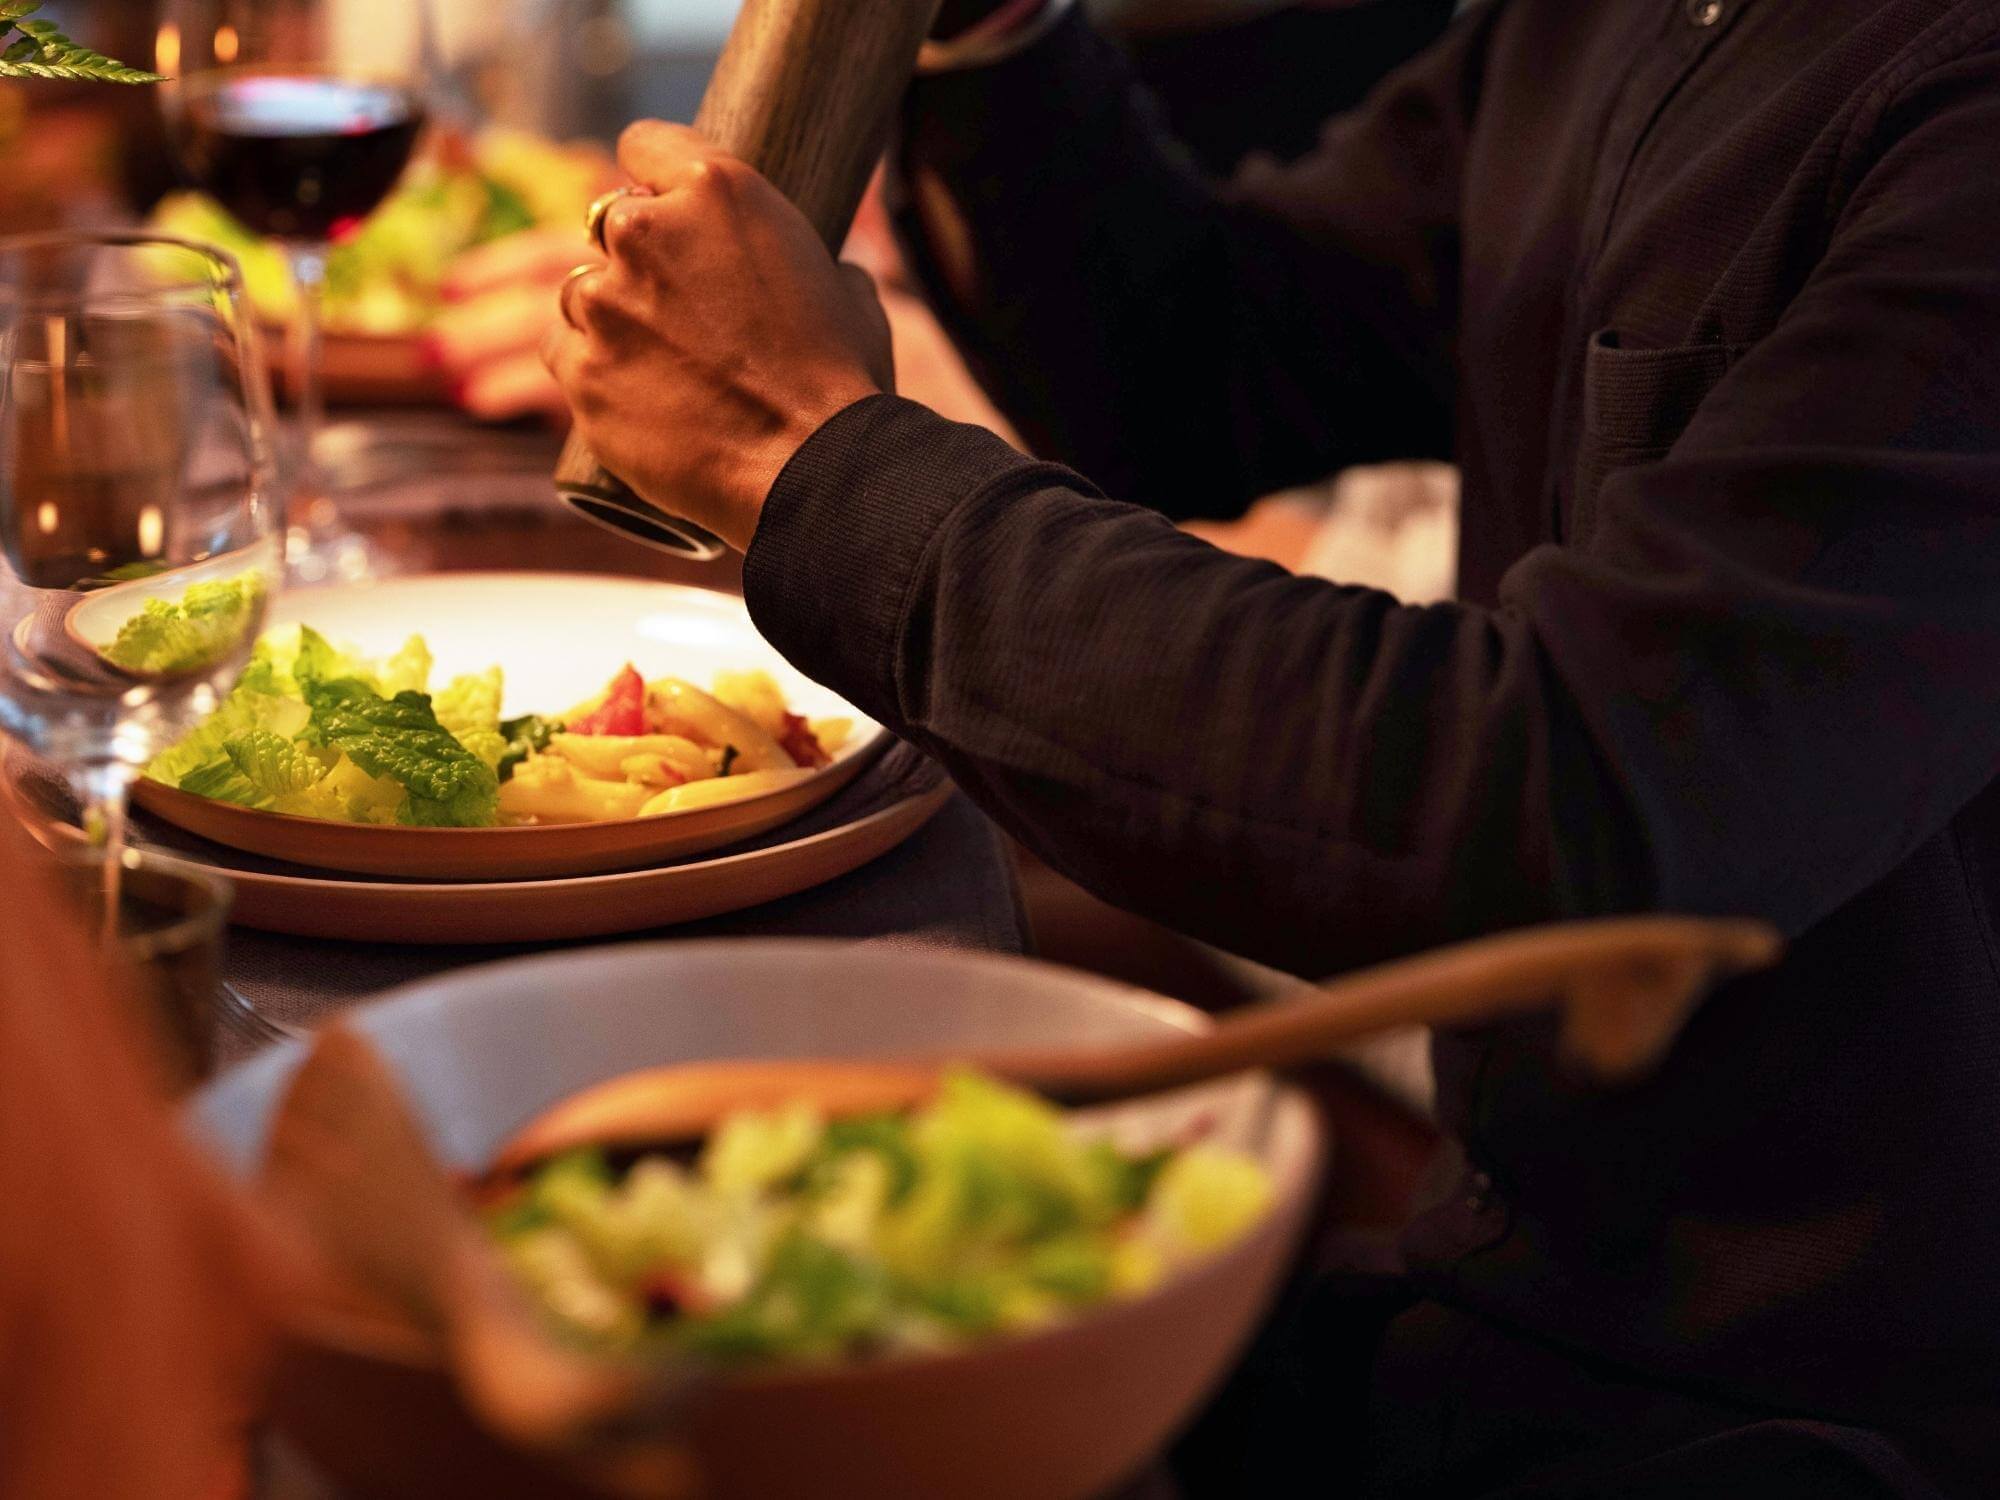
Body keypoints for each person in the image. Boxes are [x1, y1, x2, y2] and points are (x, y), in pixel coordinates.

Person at [544, 0, 2000, 1495]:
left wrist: (805, 456)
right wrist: (995, 36)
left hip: (1821, 1418)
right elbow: (1203, 363)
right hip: (1511, 1307)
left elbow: (1569, 797)